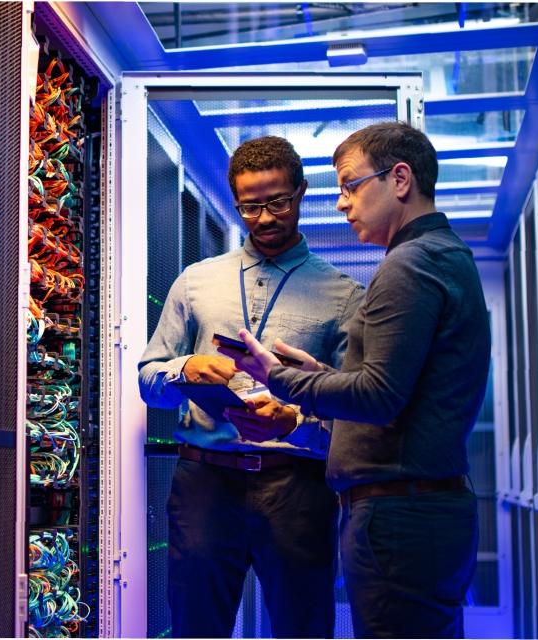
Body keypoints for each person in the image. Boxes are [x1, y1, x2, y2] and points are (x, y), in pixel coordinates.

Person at [221, 122, 491, 639]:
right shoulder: (443, 256)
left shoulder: (408, 266)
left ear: (401, 179)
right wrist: (321, 375)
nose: (342, 203)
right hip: (421, 512)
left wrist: (276, 377)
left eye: (350, 184)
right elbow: (402, 386)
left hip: (399, 516)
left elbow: (378, 396)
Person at [138, 135, 364, 639]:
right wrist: (184, 370)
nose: (264, 218)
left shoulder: (344, 296)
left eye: (278, 202)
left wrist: (297, 424)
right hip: (205, 485)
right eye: (249, 207)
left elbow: (356, 413)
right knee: (195, 627)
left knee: (303, 628)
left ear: (301, 193)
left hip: (298, 488)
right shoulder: (195, 281)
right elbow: (148, 381)